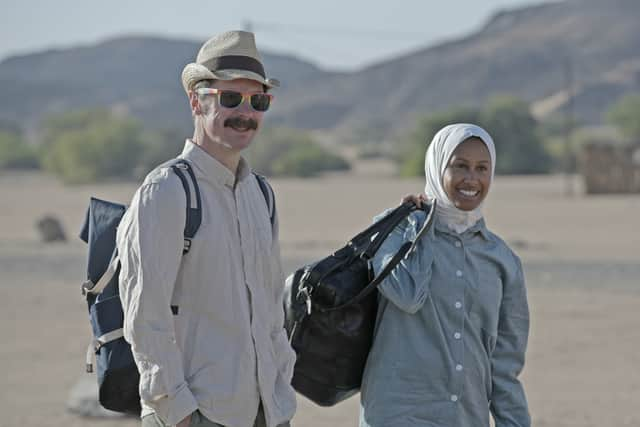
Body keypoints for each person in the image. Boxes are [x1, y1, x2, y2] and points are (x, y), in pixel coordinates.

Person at [116, 30, 296, 427]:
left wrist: (281, 392)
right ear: (197, 101)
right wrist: (177, 412)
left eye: (258, 101)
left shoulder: (261, 194)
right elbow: (146, 316)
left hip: (266, 410)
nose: (245, 113)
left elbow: (270, 314)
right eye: (230, 98)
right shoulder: (166, 190)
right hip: (196, 414)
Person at [359, 123, 530, 427]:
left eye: (482, 168)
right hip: (395, 416)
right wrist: (419, 226)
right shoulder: (395, 232)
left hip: (466, 418)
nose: (472, 179)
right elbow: (408, 295)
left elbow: (504, 367)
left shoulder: (502, 260)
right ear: (437, 167)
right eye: (460, 166)